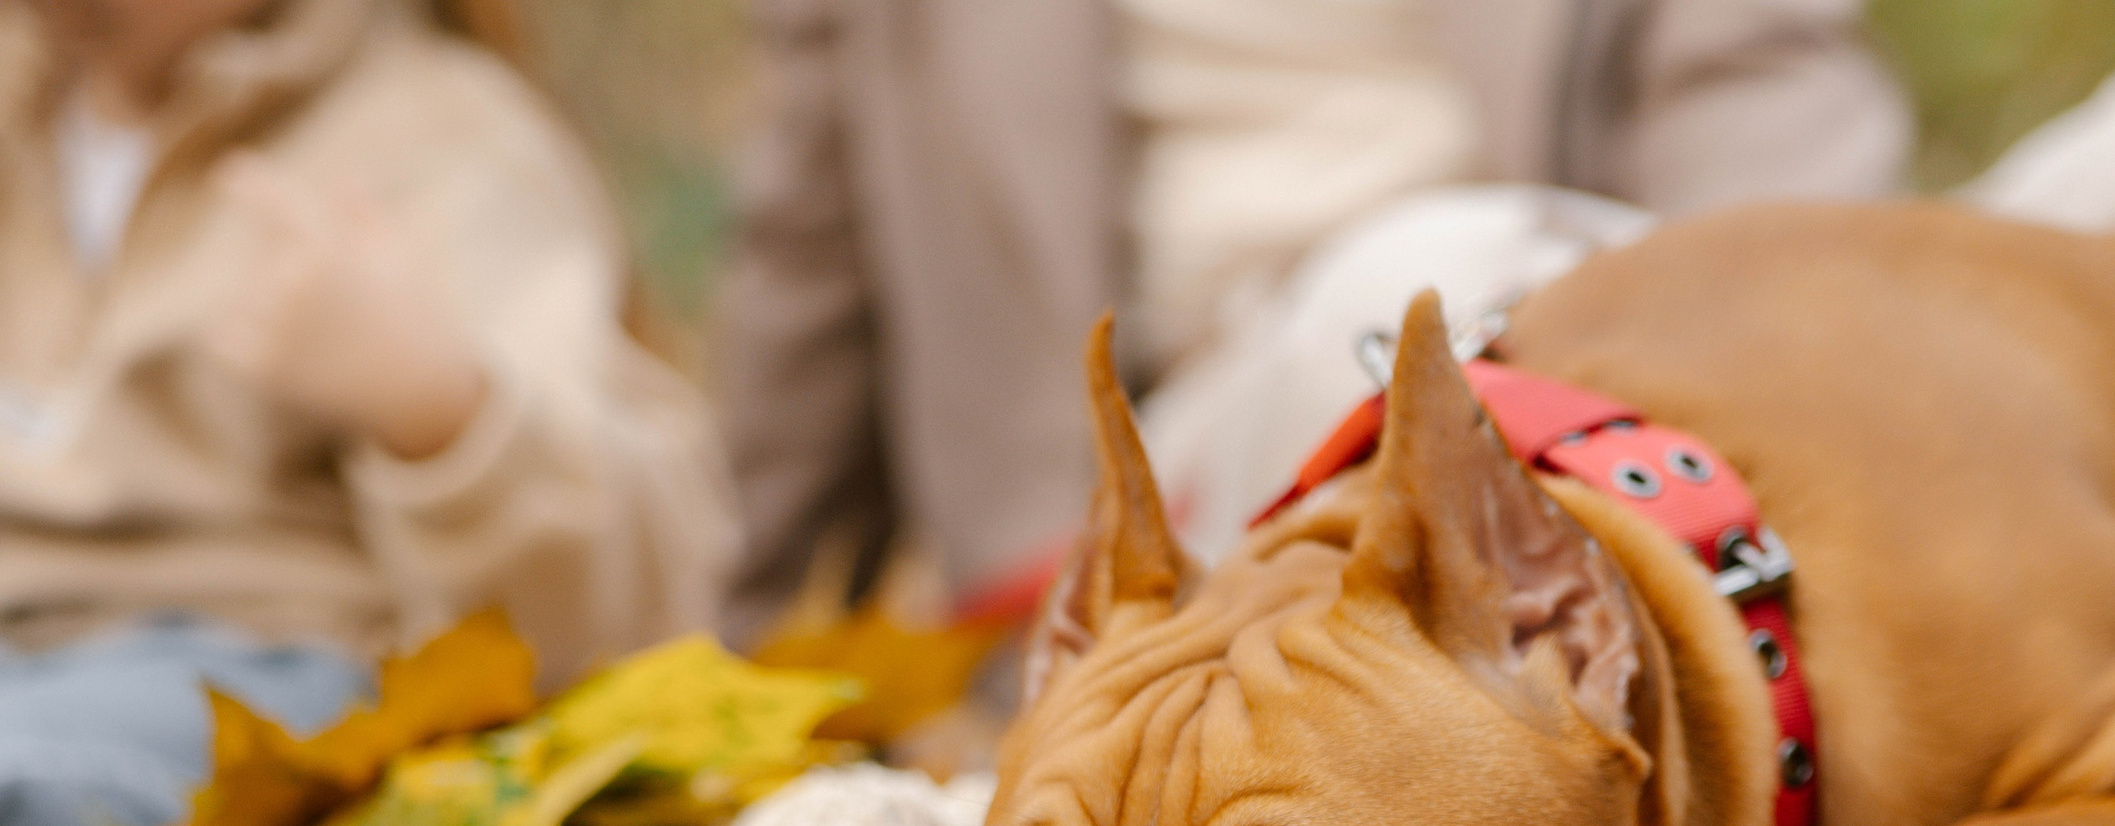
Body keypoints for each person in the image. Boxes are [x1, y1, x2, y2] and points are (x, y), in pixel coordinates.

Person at [711, 0, 1914, 647]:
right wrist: (733, 652)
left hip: (1577, 355)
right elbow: (813, 259)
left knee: (2056, 198)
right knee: (1404, 295)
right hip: (1192, 457)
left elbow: (1765, 118)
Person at [0, 0, 739, 826]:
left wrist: (435, 404)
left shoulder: (437, 137)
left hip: (263, 668)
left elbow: (640, 570)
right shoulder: (24, 113)